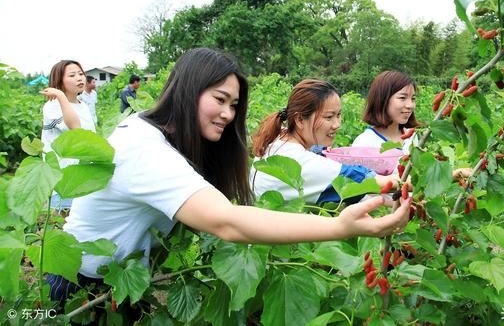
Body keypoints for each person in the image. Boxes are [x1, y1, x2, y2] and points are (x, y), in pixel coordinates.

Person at [50, 49, 409, 307]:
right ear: (188, 91)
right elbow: (226, 221)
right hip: (81, 287)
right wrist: (340, 228)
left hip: (118, 281)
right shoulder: (145, 149)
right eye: (220, 99)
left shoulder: (160, 131)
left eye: (234, 105)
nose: (227, 113)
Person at [251, 79, 404, 203]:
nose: (337, 124)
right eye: (328, 117)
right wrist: (412, 183)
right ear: (299, 119)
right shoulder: (302, 162)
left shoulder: (279, 140)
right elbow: (370, 181)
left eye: (338, 115)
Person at [41, 60, 96, 209]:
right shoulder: (52, 106)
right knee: (62, 224)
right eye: (72, 75)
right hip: (62, 181)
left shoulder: (82, 105)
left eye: (81, 74)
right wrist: (60, 95)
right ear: (59, 81)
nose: (79, 78)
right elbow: (76, 129)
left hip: (82, 177)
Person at [352, 71, 418, 153]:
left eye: (413, 99)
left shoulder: (411, 136)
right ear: (383, 100)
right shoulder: (365, 143)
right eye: (402, 98)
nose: (410, 105)